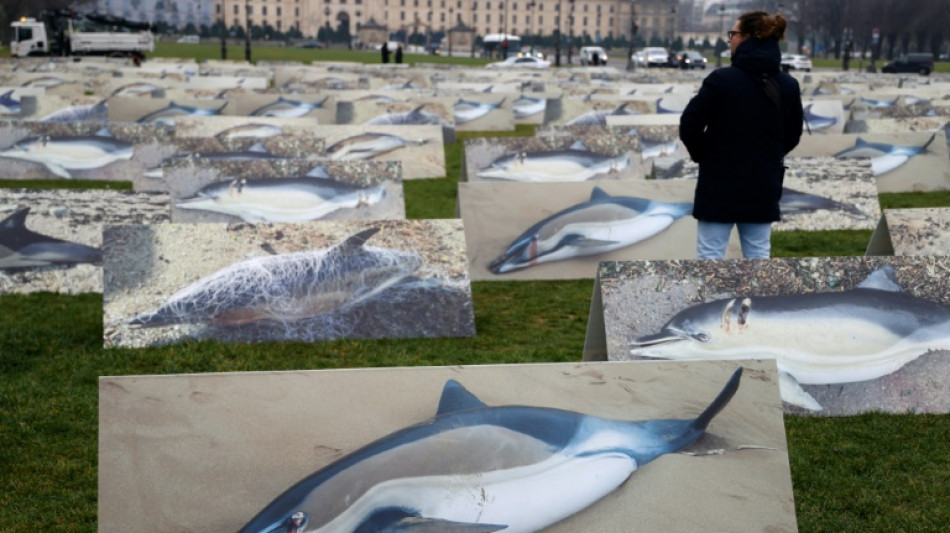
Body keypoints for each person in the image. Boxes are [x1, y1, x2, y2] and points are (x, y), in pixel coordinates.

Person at [679, 11, 804, 260]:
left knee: (710, 258)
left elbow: (689, 124)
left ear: (749, 37)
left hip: (719, 183)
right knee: (758, 258)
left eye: (733, 34)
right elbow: (793, 134)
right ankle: (755, 301)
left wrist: (706, 155)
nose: (729, 40)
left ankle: (712, 301)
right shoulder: (788, 85)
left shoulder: (721, 80)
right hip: (763, 183)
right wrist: (769, 156)